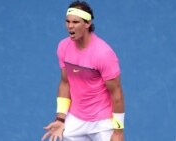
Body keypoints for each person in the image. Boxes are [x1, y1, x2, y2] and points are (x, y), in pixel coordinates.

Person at [41, 0, 125, 141]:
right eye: (67, 21)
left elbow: (117, 94)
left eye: (75, 22)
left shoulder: (103, 54)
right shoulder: (63, 47)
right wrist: (61, 119)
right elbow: (65, 83)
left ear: (87, 24)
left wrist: (118, 131)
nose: (70, 26)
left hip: (103, 122)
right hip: (75, 120)